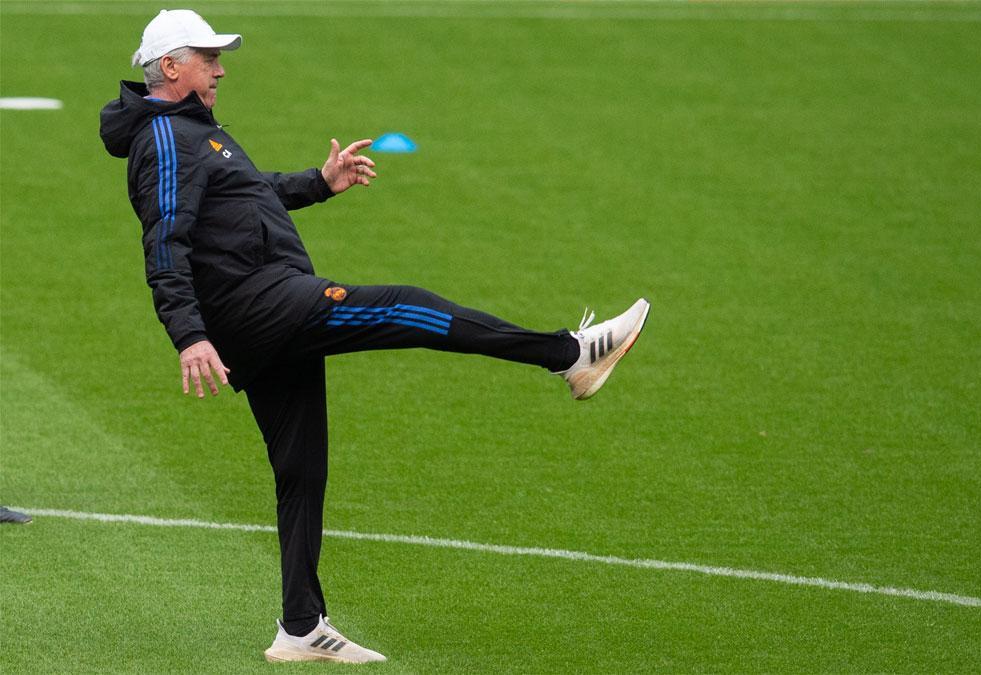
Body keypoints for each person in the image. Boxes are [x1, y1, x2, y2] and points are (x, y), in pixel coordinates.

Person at [100, 10, 650, 664]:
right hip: (262, 308)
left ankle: (300, 625)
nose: (220, 68)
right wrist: (189, 334)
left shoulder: (193, 133)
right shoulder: (165, 138)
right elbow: (165, 242)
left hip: (263, 312)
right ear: (170, 67)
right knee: (405, 306)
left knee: (301, 467)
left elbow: (249, 196)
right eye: (206, 56)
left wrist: (318, 183)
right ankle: (570, 354)